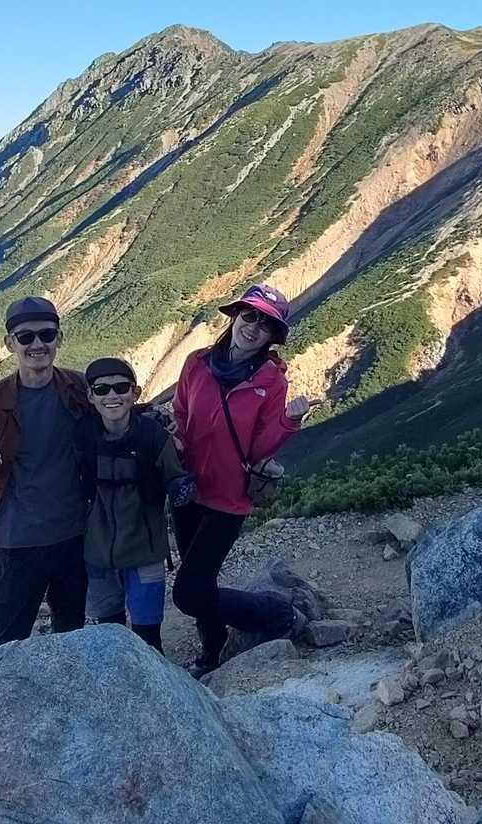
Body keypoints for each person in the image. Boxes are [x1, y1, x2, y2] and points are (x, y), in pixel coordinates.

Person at [171, 282, 321, 675]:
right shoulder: (197, 363)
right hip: (188, 491)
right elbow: (181, 413)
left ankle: (273, 612)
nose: (253, 327)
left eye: (265, 324)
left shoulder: (272, 382)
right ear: (235, 317)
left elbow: (257, 449)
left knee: (188, 593)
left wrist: (289, 420)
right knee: (200, 581)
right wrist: (175, 440)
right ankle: (212, 649)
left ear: (273, 336)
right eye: (249, 315)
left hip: (228, 500)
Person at [0, 296, 93, 647]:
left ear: (59, 339)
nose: (37, 344)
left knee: (70, 637)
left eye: (47, 335)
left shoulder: (78, 389)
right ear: (10, 344)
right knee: (7, 643)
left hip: (73, 535)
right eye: (26, 337)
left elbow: (116, 416)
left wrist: (160, 424)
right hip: (18, 540)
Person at [77, 357, 194, 653]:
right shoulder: (82, 436)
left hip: (143, 553)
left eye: (121, 388)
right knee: (109, 632)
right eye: (102, 389)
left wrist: (182, 487)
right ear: (90, 396)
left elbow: (173, 475)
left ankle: (149, 680)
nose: (112, 395)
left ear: (135, 393)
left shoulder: (153, 436)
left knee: (148, 637)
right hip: (98, 554)